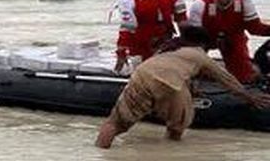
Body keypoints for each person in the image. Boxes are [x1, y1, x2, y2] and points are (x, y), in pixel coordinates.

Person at [96, 26, 270, 148]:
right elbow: (228, 80)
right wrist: (250, 97)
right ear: (202, 44)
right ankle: (170, 153)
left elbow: (176, 70)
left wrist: (192, 89)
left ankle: (100, 153)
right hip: (171, 84)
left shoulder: (167, 49)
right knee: (176, 128)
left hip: (141, 75)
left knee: (115, 123)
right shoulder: (200, 55)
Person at [185, 0, 270, 83]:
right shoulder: (199, 4)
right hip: (204, 38)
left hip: (233, 38)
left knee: (244, 76)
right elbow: (193, 37)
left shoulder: (244, 0)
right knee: (192, 69)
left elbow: (254, 28)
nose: (223, 0)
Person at [113, 0, 188, 72]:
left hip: (165, 42)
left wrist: (187, 41)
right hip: (141, 48)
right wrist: (121, 54)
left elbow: (181, 16)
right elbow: (126, 30)